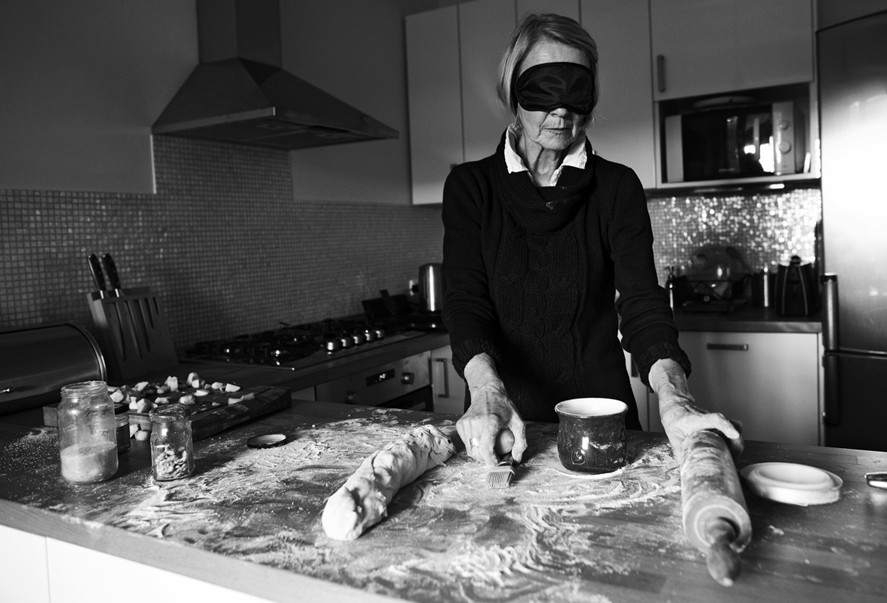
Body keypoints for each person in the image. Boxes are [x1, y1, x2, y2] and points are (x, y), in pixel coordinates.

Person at [441, 13, 742, 466]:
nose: (561, 109)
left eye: (575, 90)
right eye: (544, 87)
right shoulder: (470, 188)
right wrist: (487, 392)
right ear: (512, 90)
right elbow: (466, 303)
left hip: (601, 421)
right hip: (502, 423)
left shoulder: (616, 187)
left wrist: (674, 399)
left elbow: (642, 303)